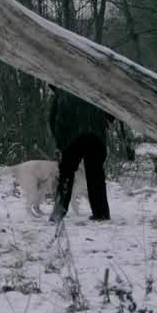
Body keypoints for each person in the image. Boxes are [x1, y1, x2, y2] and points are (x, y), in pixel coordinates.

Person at [48, 87, 111, 222]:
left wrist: (59, 142)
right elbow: (111, 114)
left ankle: (59, 212)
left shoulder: (62, 90)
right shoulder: (94, 87)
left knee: (66, 174)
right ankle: (101, 213)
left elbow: (52, 119)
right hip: (95, 135)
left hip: (71, 137)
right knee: (96, 175)